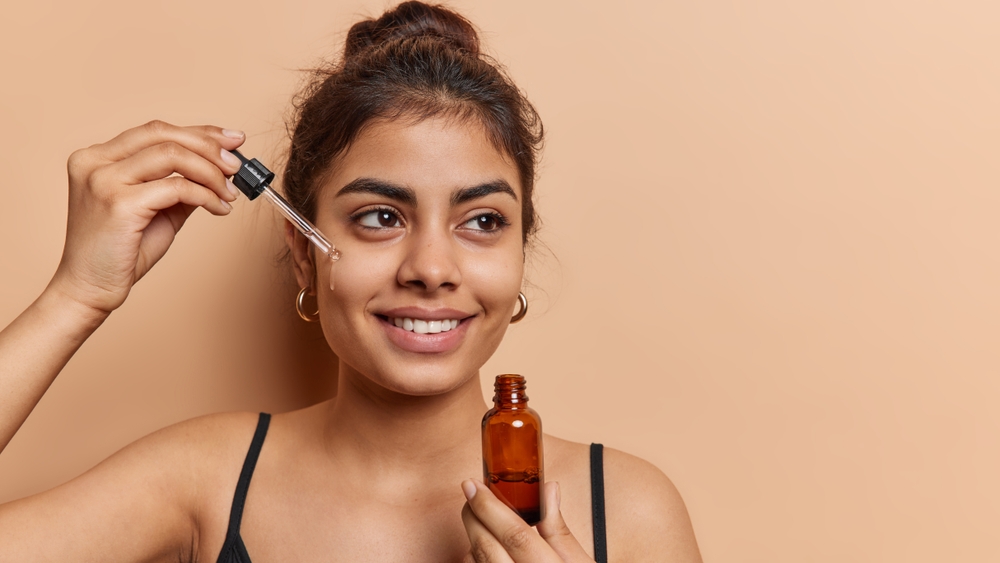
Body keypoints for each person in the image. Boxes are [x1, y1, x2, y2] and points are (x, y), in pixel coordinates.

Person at [0, 2, 701, 561]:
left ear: (520, 251)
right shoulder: (203, 480)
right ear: (303, 253)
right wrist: (75, 296)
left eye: (482, 220)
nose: (431, 268)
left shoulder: (628, 512)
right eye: (380, 215)